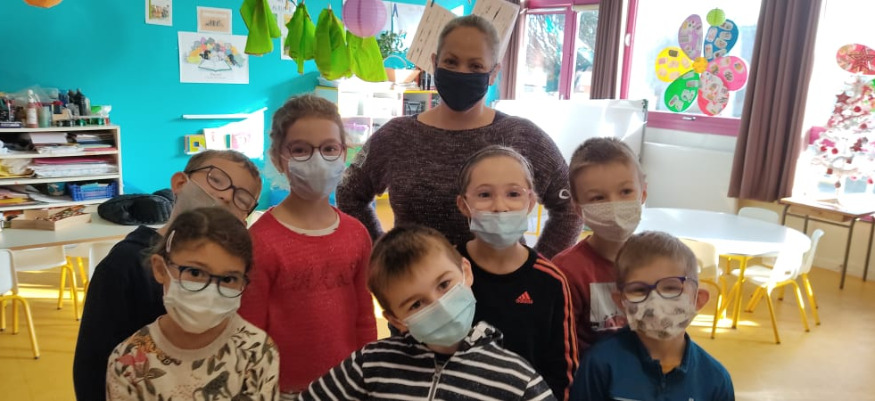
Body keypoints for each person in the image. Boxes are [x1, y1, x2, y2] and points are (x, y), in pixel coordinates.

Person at [337, 14, 581, 259]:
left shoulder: (521, 136)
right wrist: (381, 253)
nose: (462, 72)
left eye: (475, 66)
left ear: (493, 73)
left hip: (502, 280)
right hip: (417, 279)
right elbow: (349, 193)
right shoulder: (396, 136)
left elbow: (570, 207)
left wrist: (537, 268)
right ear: (435, 63)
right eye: (451, 62)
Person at [74, 150, 262, 401]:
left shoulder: (230, 275)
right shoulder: (126, 264)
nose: (227, 196)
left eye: (242, 199)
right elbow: (93, 367)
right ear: (180, 183)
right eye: (216, 180)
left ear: (244, 221)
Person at [299, 225, 556, 400]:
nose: (439, 305)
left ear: (465, 271)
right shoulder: (370, 364)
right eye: (416, 304)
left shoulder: (517, 379)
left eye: (444, 284)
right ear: (396, 320)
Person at [238, 94, 376, 399]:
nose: (317, 160)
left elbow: (364, 316)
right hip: (283, 390)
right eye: (300, 150)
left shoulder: (356, 234)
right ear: (278, 158)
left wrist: (367, 375)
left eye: (329, 148)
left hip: (346, 383)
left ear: (344, 153)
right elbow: (250, 330)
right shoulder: (260, 241)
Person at [106, 207, 280, 400]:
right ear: (161, 269)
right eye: (195, 273)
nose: (210, 292)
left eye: (228, 279)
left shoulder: (256, 351)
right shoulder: (129, 361)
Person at [455, 145, 577, 400]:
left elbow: (562, 373)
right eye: (484, 194)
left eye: (513, 194)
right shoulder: (447, 273)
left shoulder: (551, 281)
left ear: (530, 202)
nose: (500, 206)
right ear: (464, 205)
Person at [569, 231, 734, 400]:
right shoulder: (600, 364)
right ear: (620, 302)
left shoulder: (714, 380)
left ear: (698, 299)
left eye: (671, 288)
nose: (655, 300)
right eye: (639, 290)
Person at [551, 137, 647, 357]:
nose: (614, 205)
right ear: (579, 209)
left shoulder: (657, 261)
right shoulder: (567, 271)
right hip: (591, 374)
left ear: (643, 193)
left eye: (626, 192)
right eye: (598, 198)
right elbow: (561, 349)